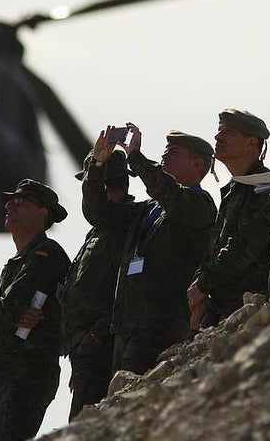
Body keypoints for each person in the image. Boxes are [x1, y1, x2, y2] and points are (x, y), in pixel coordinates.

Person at [84, 125, 217, 375]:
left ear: (197, 165)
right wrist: (97, 166)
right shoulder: (147, 210)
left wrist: (136, 157)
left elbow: (170, 194)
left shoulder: (200, 204)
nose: (165, 155)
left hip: (165, 324)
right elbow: (99, 214)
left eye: (174, 152)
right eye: (165, 150)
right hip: (128, 325)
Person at [0, 180, 70, 441]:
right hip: (3, 374)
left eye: (21, 202)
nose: (10, 205)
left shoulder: (46, 254)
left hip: (28, 373)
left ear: (42, 212)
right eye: (10, 201)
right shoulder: (15, 265)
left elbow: (8, 309)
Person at [58, 151, 135, 419]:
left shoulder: (126, 222)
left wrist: (97, 333)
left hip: (102, 343)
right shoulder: (101, 230)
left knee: (88, 422)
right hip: (84, 345)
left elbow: (127, 286)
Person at [188, 109, 270, 328]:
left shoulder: (266, 187)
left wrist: (203, 285)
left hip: (251, 307)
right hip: (223, 305)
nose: (218, 137)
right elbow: (215, 248)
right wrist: (200, 289)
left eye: (228, 132)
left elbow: (242, 248)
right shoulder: (234, 189)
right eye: (219, 130)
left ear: (251, 143)